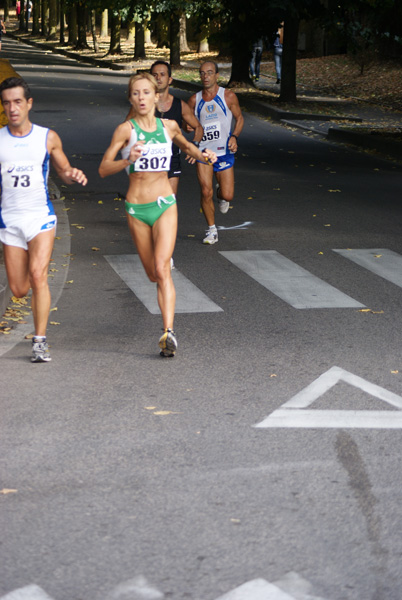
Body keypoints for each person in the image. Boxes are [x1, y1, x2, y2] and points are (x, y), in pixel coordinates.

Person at [99, 73, 217, 357]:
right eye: (135, 93)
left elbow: (187, 146)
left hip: (165, 203)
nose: (141, 98)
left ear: (156, 97)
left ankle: (168, 332)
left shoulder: (169, 126)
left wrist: (205, 155)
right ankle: (167, 327)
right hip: (137, 209)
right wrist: (127, 160)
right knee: (153, 273)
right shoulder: (125, 131)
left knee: (163, 268)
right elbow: (104, 168)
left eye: (146, 92)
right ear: (131, 98)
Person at [0, 77, 88, 362]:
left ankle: (39, 340)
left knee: (39, 275)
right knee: (19, 288)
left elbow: (63, 171)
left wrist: (71, 174)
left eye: (17, 102)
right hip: (9, 221)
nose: (12, 108)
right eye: (6, 103)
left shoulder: (47, 137)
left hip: (40, 217)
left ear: (29, 104)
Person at [126, 61, 204, 196]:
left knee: (168, 204)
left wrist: (195, 145)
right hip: (148, 162)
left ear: (170, 80)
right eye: (155, 75)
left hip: (171, 161)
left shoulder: (180, 105)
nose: (158, 78)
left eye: (162, 74)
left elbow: (198, 127)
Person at [187, 61, 244, 245]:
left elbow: (239, 118)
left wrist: (234, 136)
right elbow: (187, 124)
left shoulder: (227, 96)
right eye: (202, 73)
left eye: (210, 73)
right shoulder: (195, 100)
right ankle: (212, 230)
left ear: (217, 75)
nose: (206, 76)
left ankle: (222, 194)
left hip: (224, 151)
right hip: (204, 152)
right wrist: (188, 128)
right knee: (205, 191)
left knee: (227, 195)